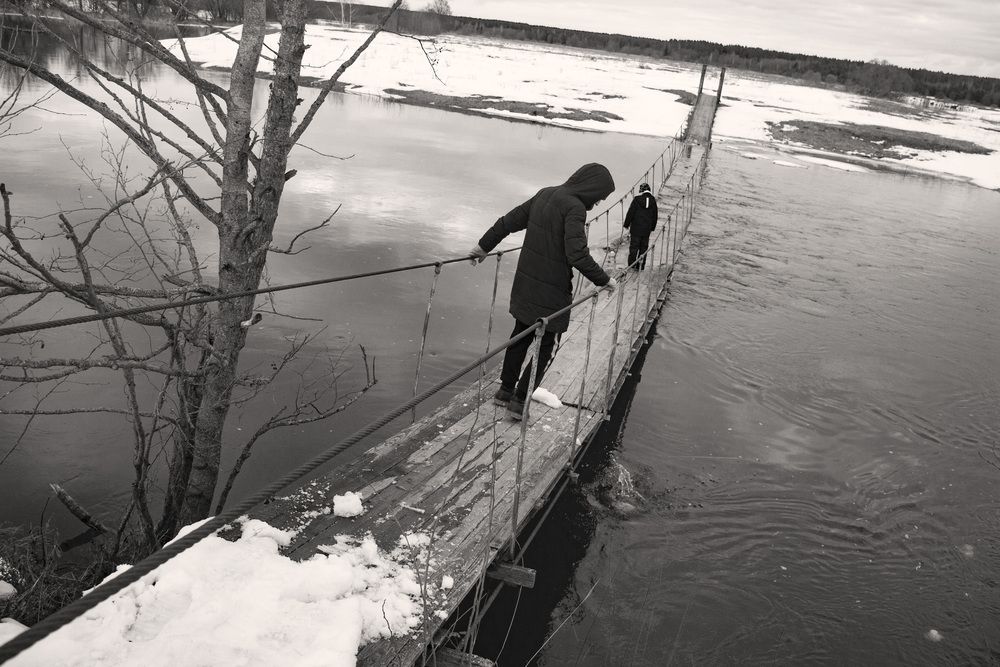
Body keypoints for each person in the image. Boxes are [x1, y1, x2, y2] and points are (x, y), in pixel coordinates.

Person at [467, 163, 618, 420]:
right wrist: (604, 280)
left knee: (520, 336)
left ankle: (505, 391)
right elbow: (577, 254)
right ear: (591, 189)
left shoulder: (545, 194)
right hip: (553, 294)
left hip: (525, 285)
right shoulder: (575, 208)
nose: (601, 201)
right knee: (547, 346)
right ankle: (520, 402)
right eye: (601, 195)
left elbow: (508, 222)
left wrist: (484, 246)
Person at [623, 183, 658, 270]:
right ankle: (641, 266)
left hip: (636, 228)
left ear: (641, 191)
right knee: (644, 248)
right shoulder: (653, 201)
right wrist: (652, 227)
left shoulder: (636, 199)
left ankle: (631, 265)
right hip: (646, 230)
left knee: (634, 247)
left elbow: (631, 213)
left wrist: (626, 224)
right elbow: (655, 216)